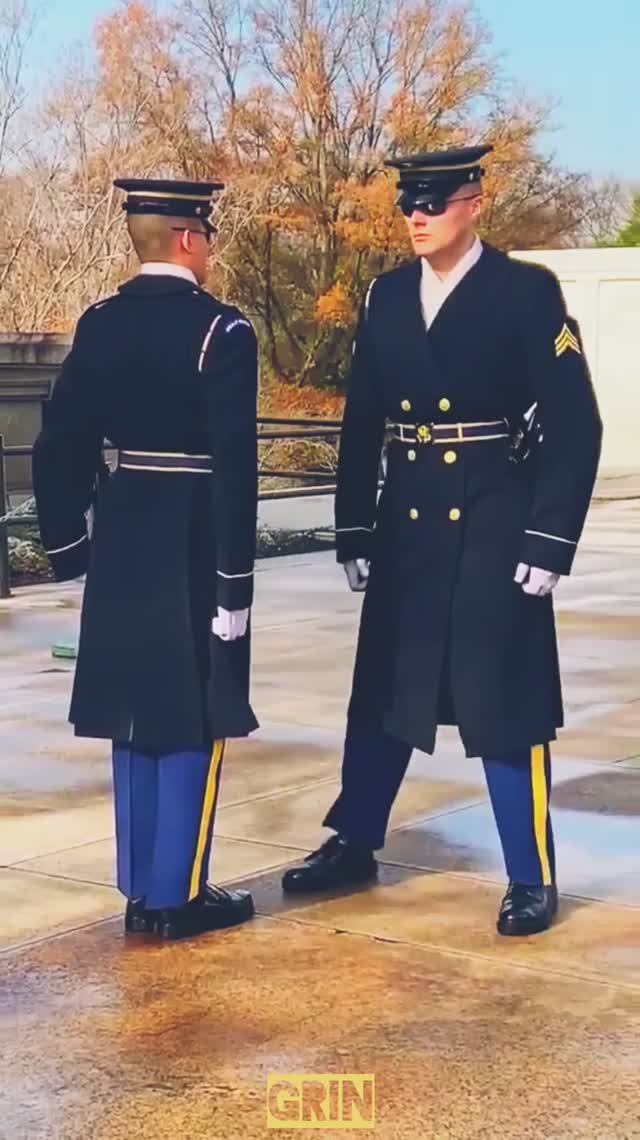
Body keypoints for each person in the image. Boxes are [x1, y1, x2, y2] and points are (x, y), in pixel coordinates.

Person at [282, 146, 603, 936]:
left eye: (433, 203)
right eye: (407, 205)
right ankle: (355, 839)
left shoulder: (525, 291)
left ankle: (529, 872)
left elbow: (576, 425)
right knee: (383, 691)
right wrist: (354, 524)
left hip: (495, 519)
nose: (416, 218)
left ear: (474, 203)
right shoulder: (387, 296)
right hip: (407, 522)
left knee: (504, 699)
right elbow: (364, 418)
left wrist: (549, 539)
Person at [33, 178, 259, 941]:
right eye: (209, 237)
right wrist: (235, 584)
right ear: (189, 238)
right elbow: (235, 468)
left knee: (132, 714)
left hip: (122, 529)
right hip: (192, 538)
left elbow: (58, 441)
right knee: (194, 712)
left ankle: (140, 888)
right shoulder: (222, 331)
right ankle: (179, 894)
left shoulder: (98, 324)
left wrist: (69, 544)